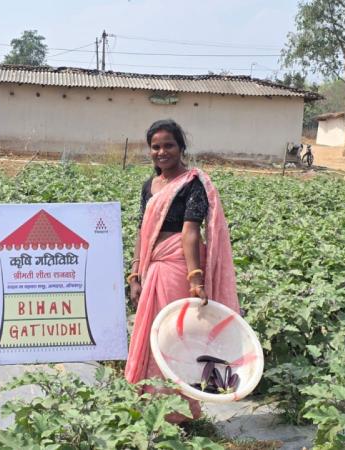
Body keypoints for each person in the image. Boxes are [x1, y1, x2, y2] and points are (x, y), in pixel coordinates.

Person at [124, 119, 240, 420]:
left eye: (169, 145)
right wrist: (135, 274)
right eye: (155, 147)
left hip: (178, 267)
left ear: (181, 147)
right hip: (152, 265)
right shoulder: (150, 186)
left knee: (174, 337)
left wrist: (195, 279)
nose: (162, 152)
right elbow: (142, 231)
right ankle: (150, 405)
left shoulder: (192, 183)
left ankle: (177, 412)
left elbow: (190, 232)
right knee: (151, 334)